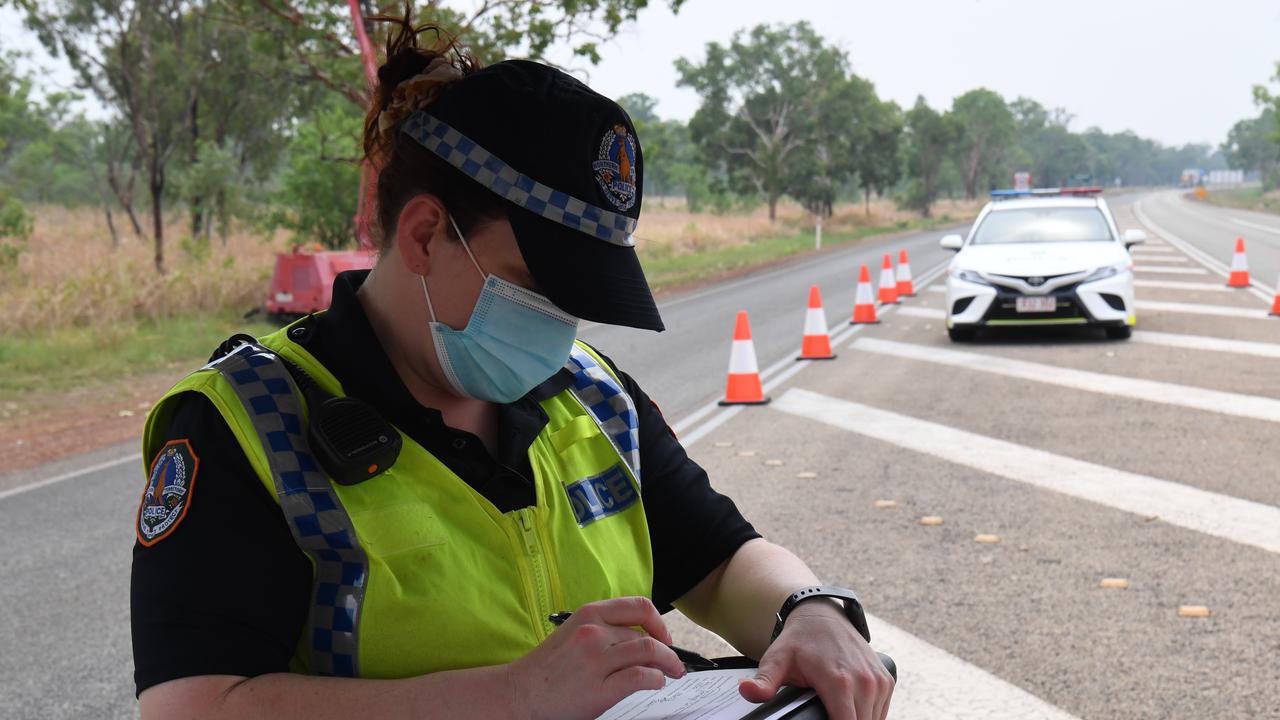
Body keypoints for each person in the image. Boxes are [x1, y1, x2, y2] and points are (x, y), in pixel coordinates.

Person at [130, 10, 894, 720]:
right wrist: (511, 696)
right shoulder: (244, 428)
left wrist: (811, 609)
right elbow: (191, 705)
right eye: (537, 289)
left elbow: (720, 562)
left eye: (579, 300)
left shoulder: (592, 397)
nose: (560, 329)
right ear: (426, 235)